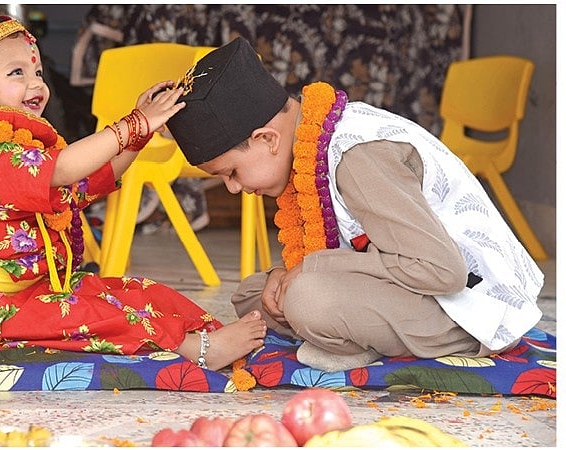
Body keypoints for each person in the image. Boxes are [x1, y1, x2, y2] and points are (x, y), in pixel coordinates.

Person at [0, 15, 266, 372]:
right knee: (91, 315)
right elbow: (64, 169)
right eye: (17, 72)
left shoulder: (22, 146)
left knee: (137, 292)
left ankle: (208, 332)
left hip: (30, 291)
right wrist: (133, 124)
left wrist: (139, 137)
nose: (36, 83)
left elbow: (84, 181)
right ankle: (198, 350)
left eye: (37, 71)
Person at [165, 37, 544, 372]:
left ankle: (354, 340)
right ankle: (346, 334)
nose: (233, 189)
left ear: (267, 139)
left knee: (307, 299)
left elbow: (441, 272)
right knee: (255, 294)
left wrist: (311, 269)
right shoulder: (311, 150)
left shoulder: (358, 157)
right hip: (409, 288)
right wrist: (290, 272)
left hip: (473, 309)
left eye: (230, 172)